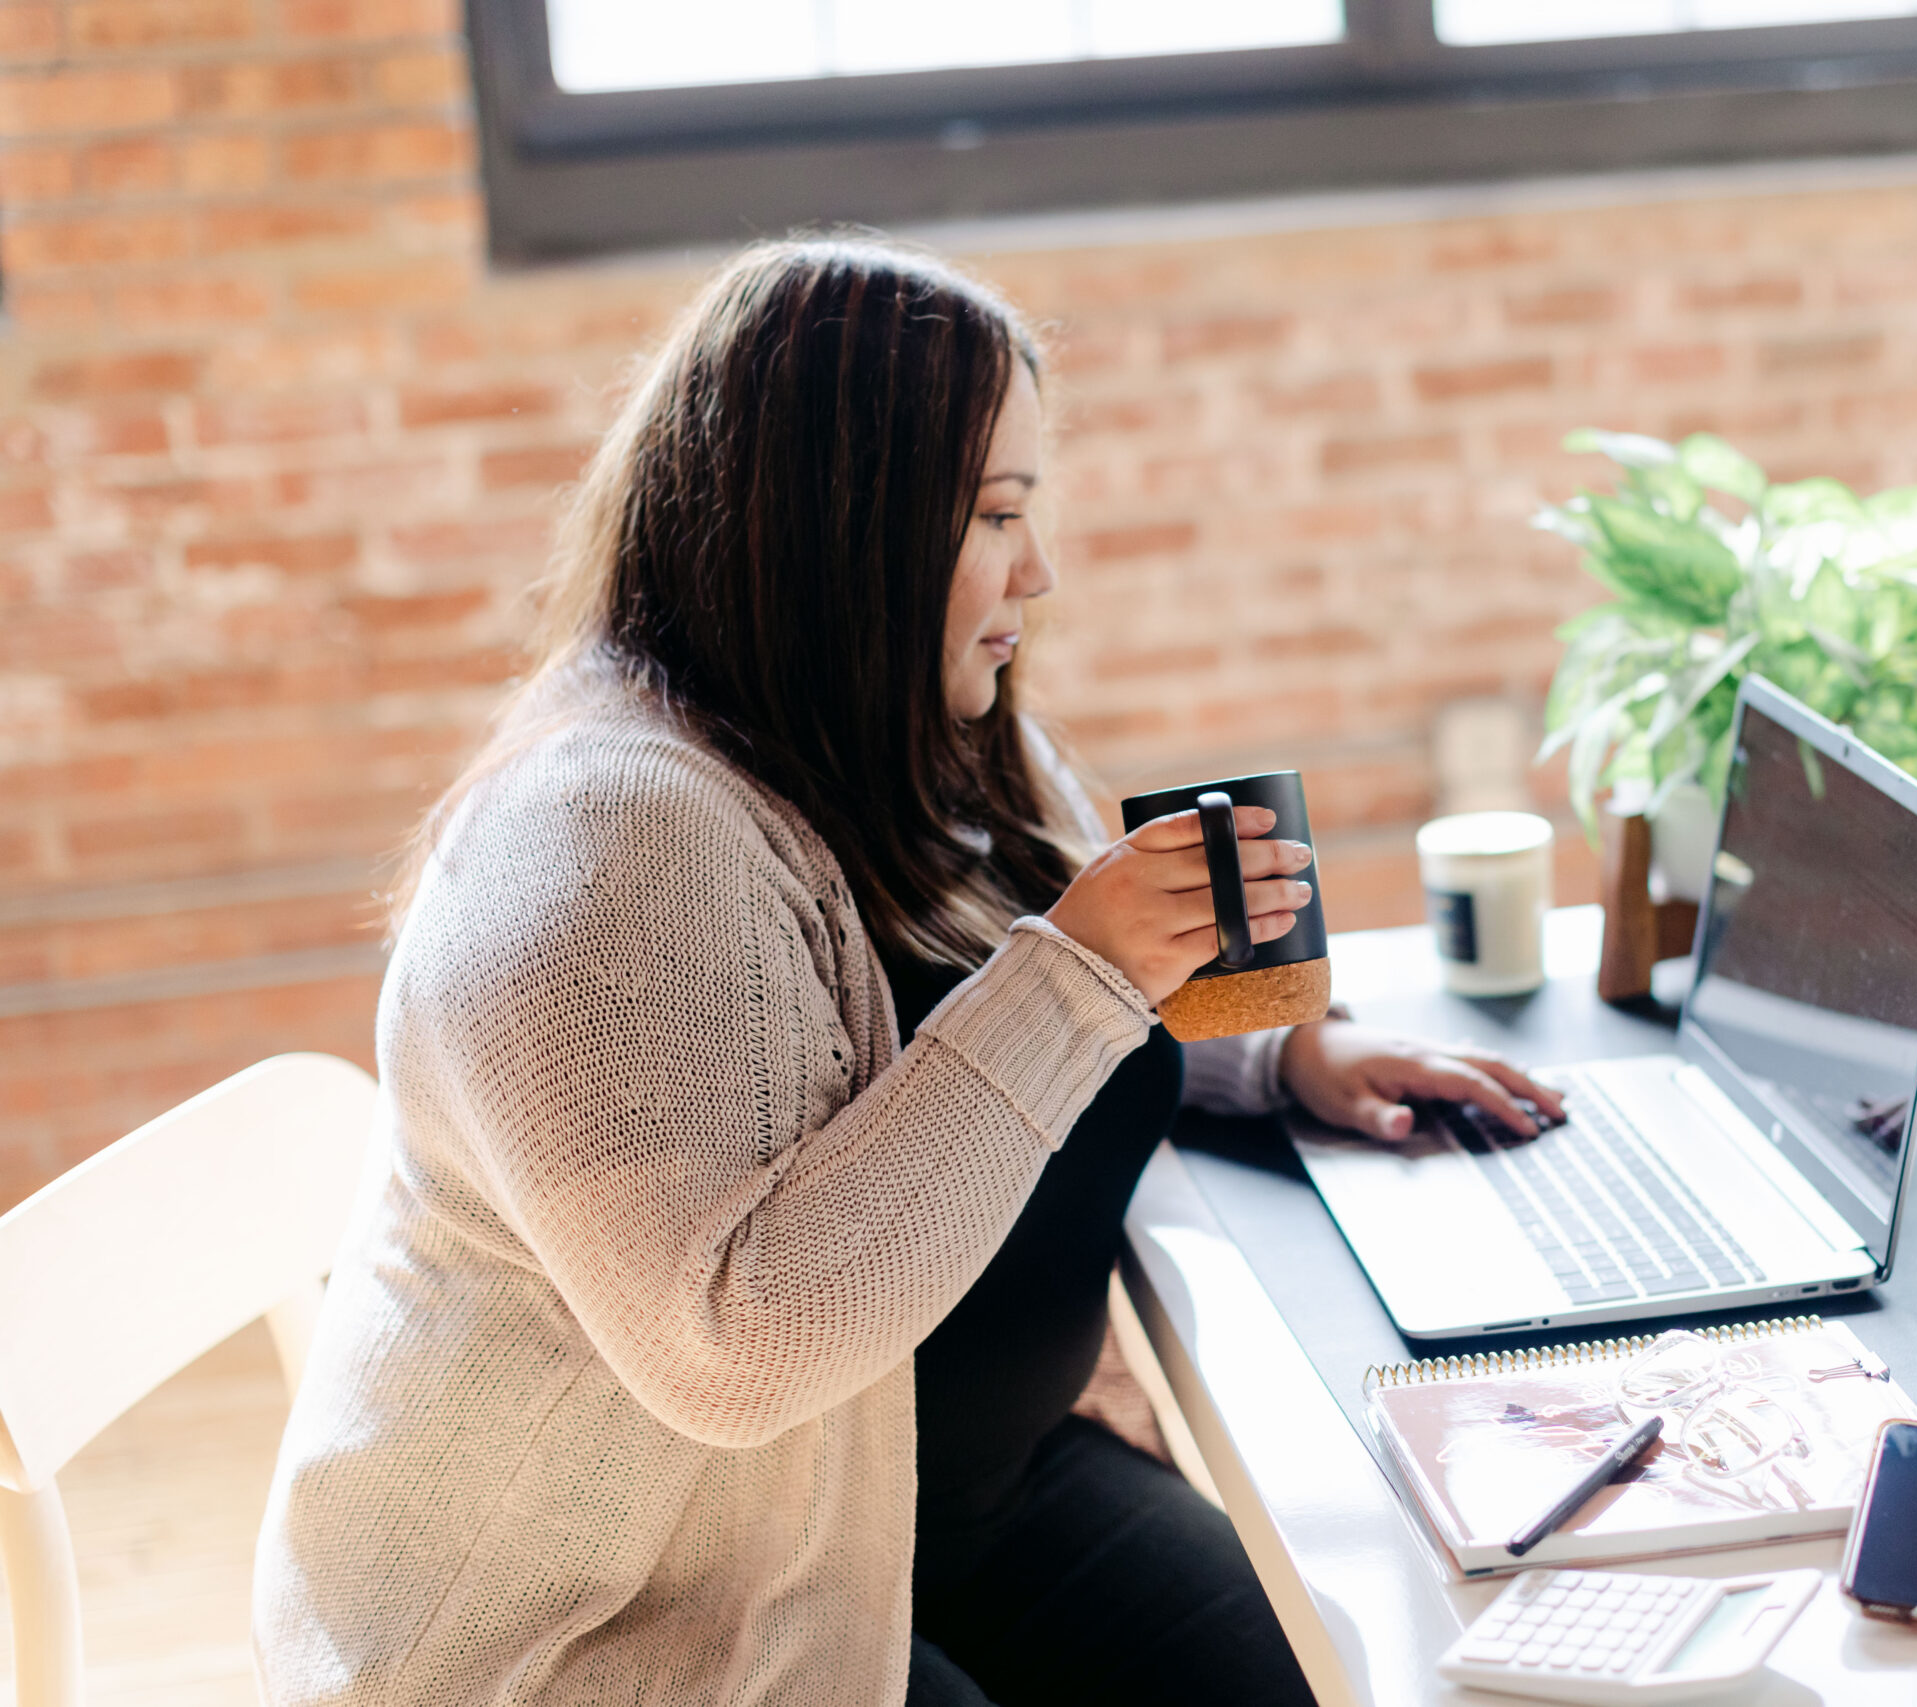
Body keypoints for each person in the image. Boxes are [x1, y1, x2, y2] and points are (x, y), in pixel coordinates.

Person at [251, 237, 1561, 1707]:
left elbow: (943, 1026)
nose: (1039, 569)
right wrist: (1082, 967)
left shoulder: (911, 736)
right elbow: (736, 1347)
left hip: (951, 1500)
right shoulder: (612, 842)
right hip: (647, 1631)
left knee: (1338, 1676)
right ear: (840, 532)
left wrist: (1262, 1054)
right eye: (996, 513)